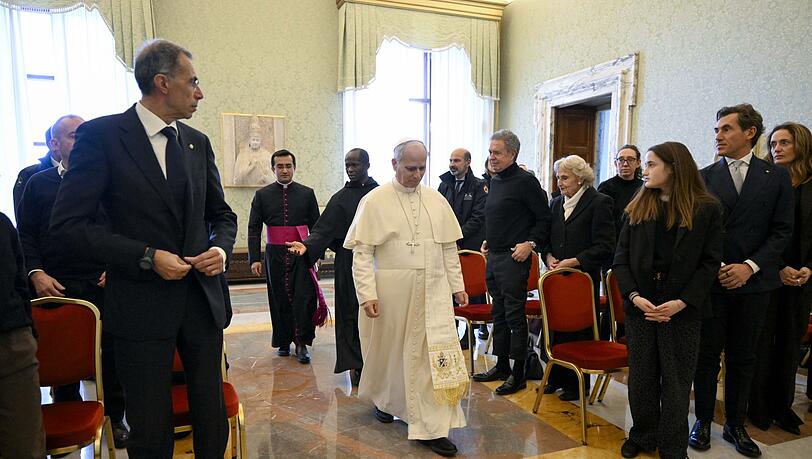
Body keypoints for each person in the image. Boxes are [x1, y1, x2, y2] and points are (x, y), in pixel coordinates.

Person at [49, 39, 238, 458]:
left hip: (200, 301)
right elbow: (68, 226)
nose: (200, 92)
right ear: (162, 83)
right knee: (150, 424)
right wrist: (148, 256)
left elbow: (222, 216)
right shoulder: (102, 136)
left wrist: (221, 251)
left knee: (210, 413)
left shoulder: (197, 142)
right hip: (139, 302)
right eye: (194, 82)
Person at [345, 139, 469, 457]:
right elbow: (362, 253)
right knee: (390, 353)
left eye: (422, 168)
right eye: (410, 167)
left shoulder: (436, 199)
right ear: (394, 164)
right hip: (392, 292)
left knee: (428, 358)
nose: (416, 175)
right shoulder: (374, 200)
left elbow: (448, 248)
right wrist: (366, 294)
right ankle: (386, 401)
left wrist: (458, 286)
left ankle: (430, 427)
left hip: (433, 290)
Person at [17, 115, 130, 447]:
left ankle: (114, 419)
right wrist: (36, 273)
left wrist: (117, 264)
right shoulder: (38, 184)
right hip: (56, 285)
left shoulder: (110, 183)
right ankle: (68, 420)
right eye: (73, 137)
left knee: (110, 358)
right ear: (54, 144)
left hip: (102, 283)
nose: (82, 143)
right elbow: (25, 237)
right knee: (61, 358)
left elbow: (122, 230)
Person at [689, 104, 793, 458]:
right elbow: (693, 232)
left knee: (744, 357)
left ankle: (735, 424)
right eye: (716, 130)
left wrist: (748, 266)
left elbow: (782, 232)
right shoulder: (703, 177)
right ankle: (702, 420)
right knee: (706, 357)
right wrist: (718, 265)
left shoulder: (776, 176)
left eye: (726, 129)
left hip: (755, 282)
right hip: (713, 281)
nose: (718, 135)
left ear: (750, 133)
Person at [613, 142, 723, 459]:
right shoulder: (637, 207)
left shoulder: (706, 209)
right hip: (642, 303)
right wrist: (634, 296)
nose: (643, 171)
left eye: (650, 164)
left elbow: (709, 263)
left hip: (683, 306)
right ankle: (643, 435)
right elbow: (620, 260)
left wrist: (682, 302)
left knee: (676, 381)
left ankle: (673, 445)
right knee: (643, 378)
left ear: (673, 167)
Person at [286, 148, 378, 383]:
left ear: (367, 164)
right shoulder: (340, 199)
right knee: (349, 313)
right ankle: (355, 364)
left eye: (355, 164)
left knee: (377, 315)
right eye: (347, 164)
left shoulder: (380, 195)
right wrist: (308, 246)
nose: (350, 169)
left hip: (379, 263)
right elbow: (322, 230)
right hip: (348, 262)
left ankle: (378, 362)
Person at [473, 129, 552, 396]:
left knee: (514, 316)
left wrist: (529, 243)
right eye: (490, 152)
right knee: (499, 314)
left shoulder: (526, 181)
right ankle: (502, 365)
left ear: (512, 154)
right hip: (494, 255)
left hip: (514, 257)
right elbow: (498, 216)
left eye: (497, 153)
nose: (491, 157)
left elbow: (544, 219)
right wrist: (488, 240)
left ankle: (518, 373)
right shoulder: (495, 181)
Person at [749, 122, 812, 435]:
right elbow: (761, 232)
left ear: (800, 145)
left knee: (790, 343)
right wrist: (779, 266)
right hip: (768, 273)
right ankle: (757, 406)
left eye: (784, 142)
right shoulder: (765, 181)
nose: (777, 149)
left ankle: (782, 406)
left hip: (802, 279)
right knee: (762, 341)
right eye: (773, 143)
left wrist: (808, 268)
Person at [542, 155, 615, 401]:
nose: (559, 182)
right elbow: (547, 239)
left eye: (565, 177)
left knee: (578, 330)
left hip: (582, 279)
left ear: (580, 178)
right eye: (558, 177)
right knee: (556, 328)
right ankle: (556, 377)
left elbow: (605, 245)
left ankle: (576, 385)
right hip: (556, 278)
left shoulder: (599, 202)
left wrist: (575, 261)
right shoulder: (555, 203)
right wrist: (549, 256)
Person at [248, 149, 321, 364]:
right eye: (280, 166)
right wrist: (254, 258)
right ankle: (283, 340)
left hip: (301, 252)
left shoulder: (307, 194)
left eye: (288, 166)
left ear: (294, 168)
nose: (284, 170)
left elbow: (317, 227)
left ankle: (301, 343)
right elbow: (254, 228)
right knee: (279, 298)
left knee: (304, 298)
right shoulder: (262, 195)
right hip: (275, 255)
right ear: (273, 169)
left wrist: (315, 253)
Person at [0, 212, 46, 458]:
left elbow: (19, 284)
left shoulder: (2, 223)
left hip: (12, 345)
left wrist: (28, 332)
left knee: (25, 446)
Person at [438, 148, 487, 251]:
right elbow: (438, 214)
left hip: (470, 245)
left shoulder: (479, 186)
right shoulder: (444, 186)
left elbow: (477, 218)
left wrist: (457, 238)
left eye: (456, 161)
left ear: (468, 162)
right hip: (447, 244)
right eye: (450, 160)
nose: (452, 164)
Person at [13, 127, 60, 218]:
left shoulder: (87, 172)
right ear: (53, 144)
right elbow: (23, 220)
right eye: (73, 136)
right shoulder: (29, 174)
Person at [598, 144, 643, 235]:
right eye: (621, 160)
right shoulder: (605, 187)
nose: (625, 164)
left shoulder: (644, 187)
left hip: (637, 236)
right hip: (613, 238)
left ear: (638, 163)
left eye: (630, 159)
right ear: (615, 163)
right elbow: (601, 219)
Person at [233, 115, 273, 186]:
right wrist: (251, 167)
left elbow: (272, 177)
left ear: (260, 141)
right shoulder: (242, 155)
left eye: (257, 140)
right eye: (253, 140)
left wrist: (266, 178)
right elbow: (237, 180)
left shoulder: (267, 155)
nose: (255, 142)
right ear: (249, 141)